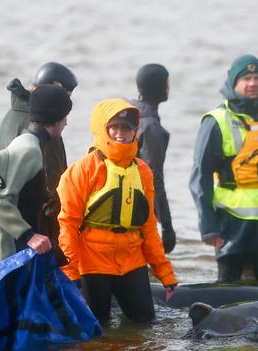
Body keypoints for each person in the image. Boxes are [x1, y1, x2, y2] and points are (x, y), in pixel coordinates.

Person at [57, 98, 178, 323]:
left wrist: (165, 273)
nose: (121, 133)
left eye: (127, 128)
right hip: (92, 264)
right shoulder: (82, 170)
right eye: (115, 127)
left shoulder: (143, 171)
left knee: (146, 325)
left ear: (135, 132)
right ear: (103, 128)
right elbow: (68, 225)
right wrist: (70, 274)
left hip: (132, 261)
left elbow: (149, 226)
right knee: (96, 329)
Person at [189, 54, 258, 285]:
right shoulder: (216, 120)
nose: (252, 83)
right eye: (246, 78)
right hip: (231, 223)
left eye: (256, 77)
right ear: (233, 83)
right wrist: (209, 228)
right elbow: (200, 177)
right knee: (228, 285)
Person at [0, 85, 72, 279]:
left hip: (14, 250)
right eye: (65, 117)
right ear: (54, 120)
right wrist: (28, 235)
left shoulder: (33, 145)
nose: (66, 123)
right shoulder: (27, 149)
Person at [131, 63, 176, 253]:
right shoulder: (151, 129)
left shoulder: (130, 111)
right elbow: (153, 178)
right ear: (160, 88)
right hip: (137, 211)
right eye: (166, 83)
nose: (169, 88)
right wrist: (166, 225)